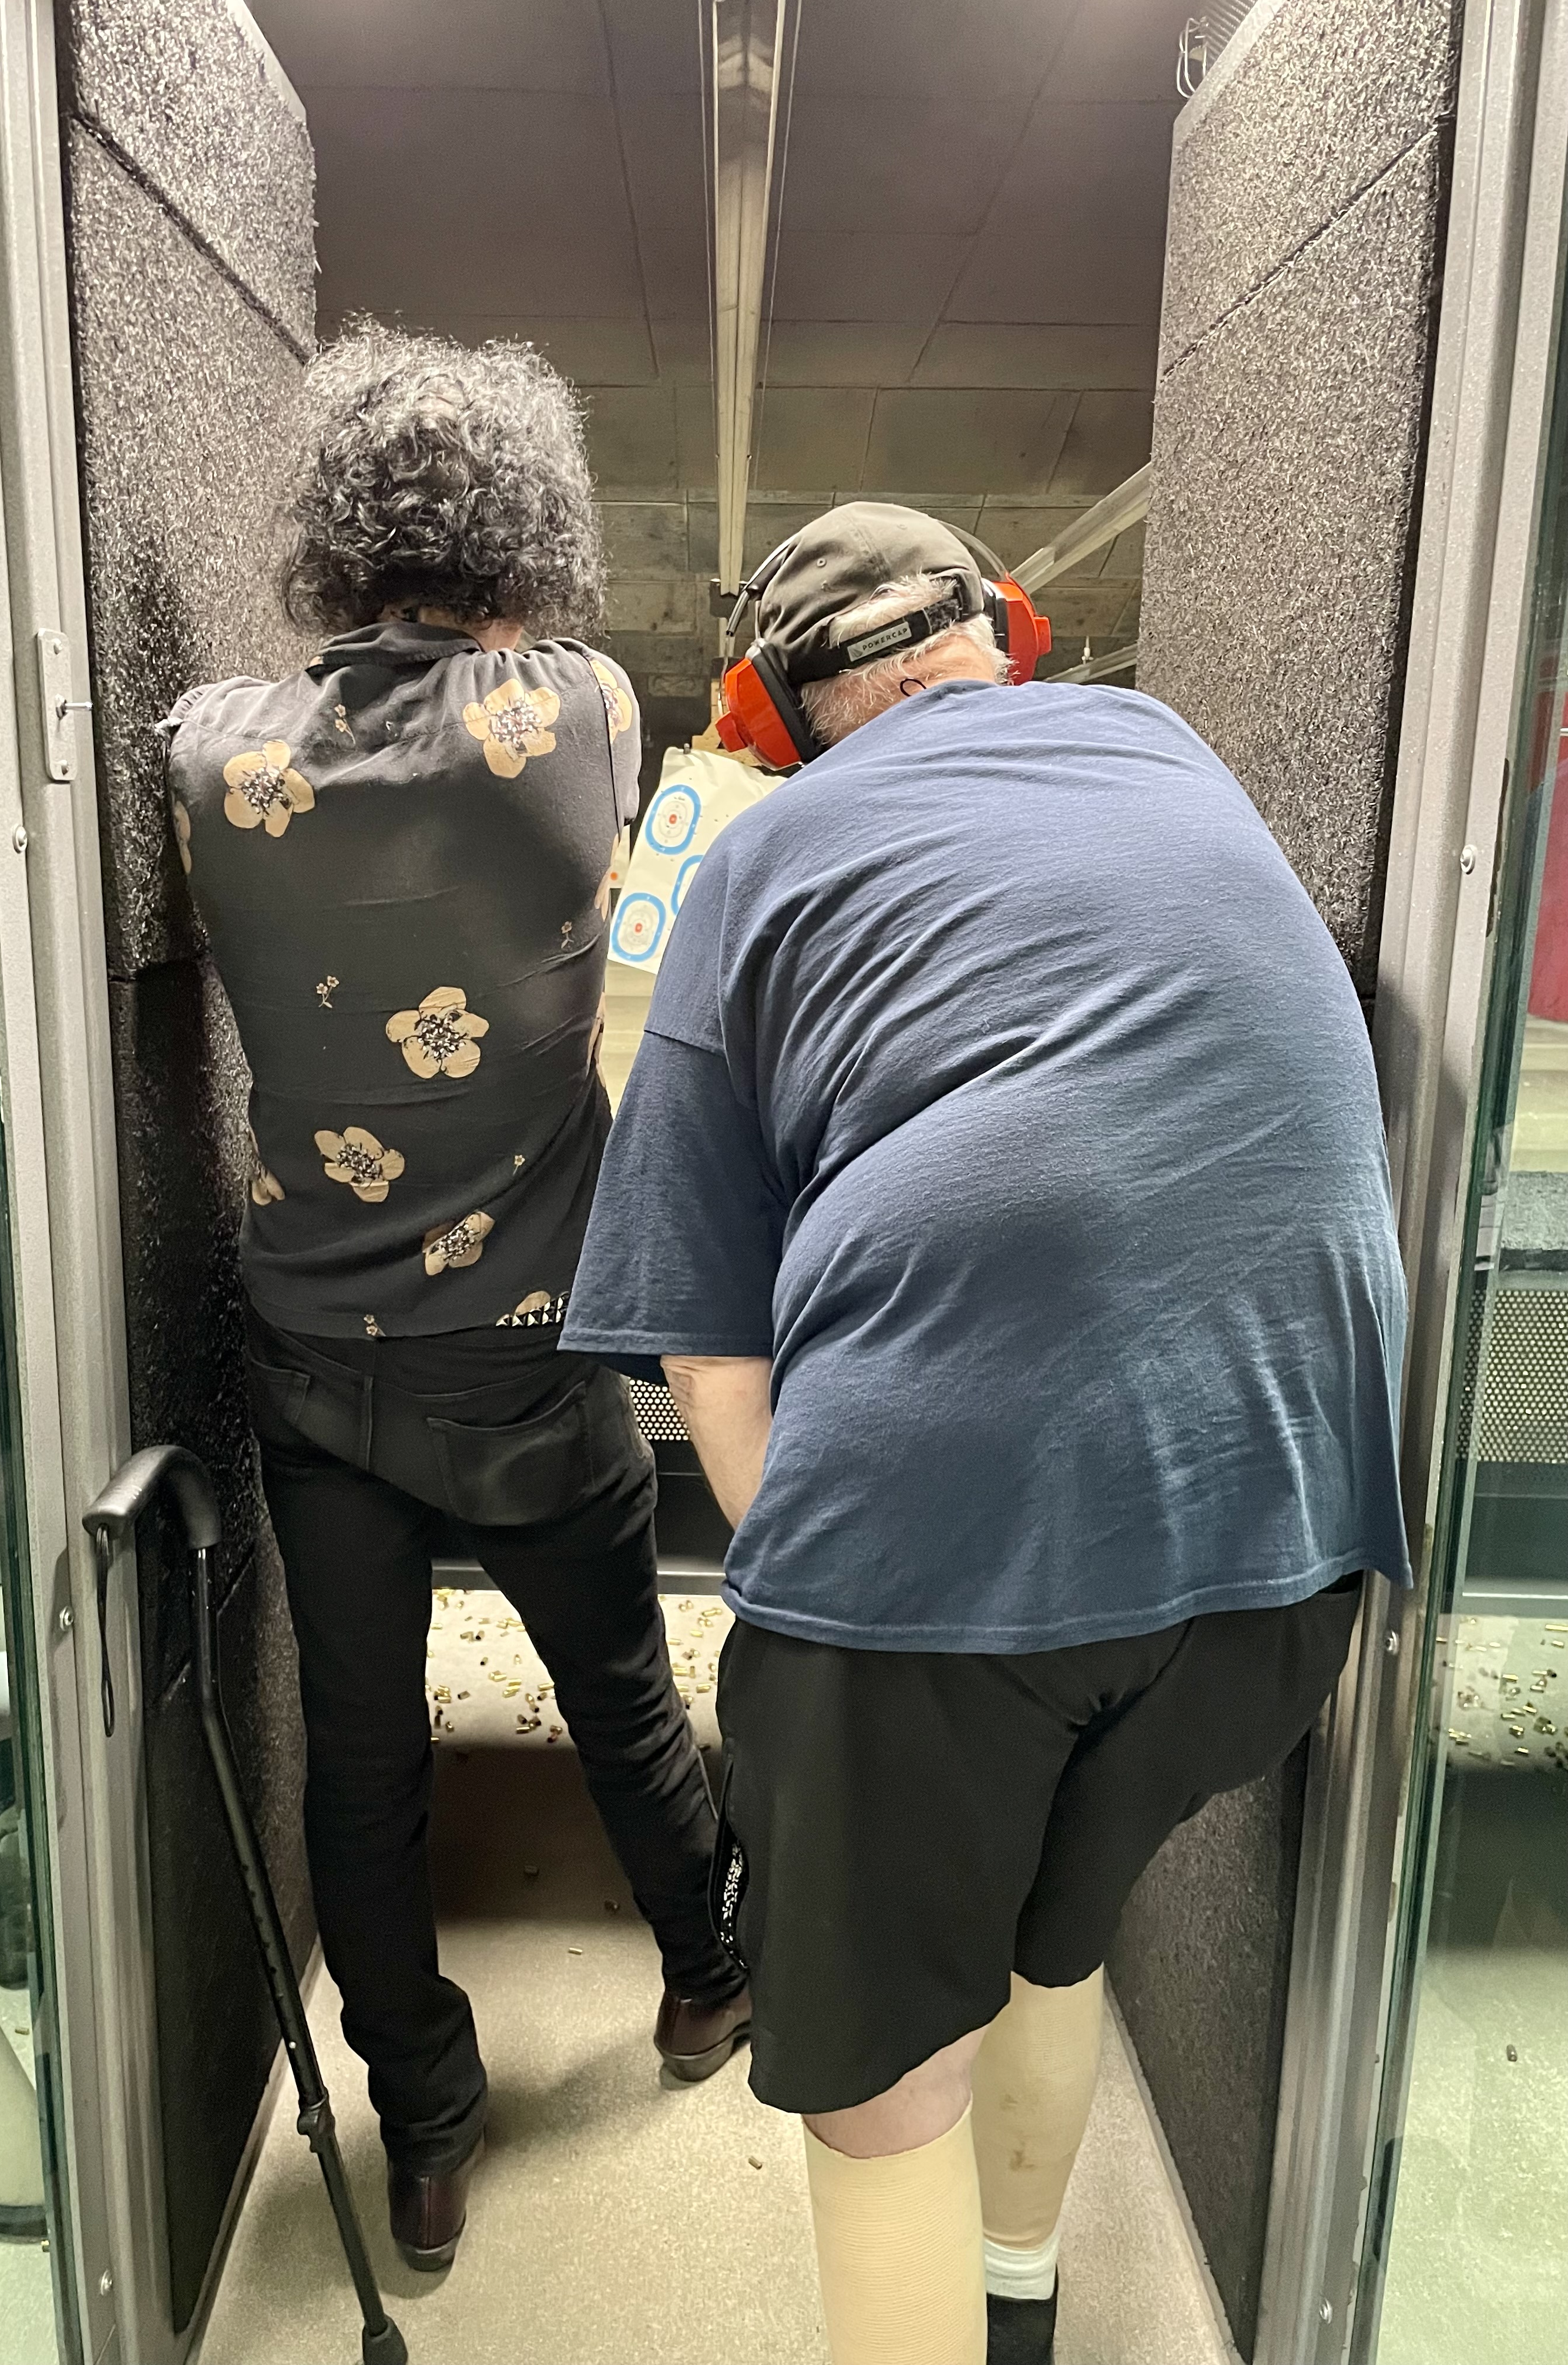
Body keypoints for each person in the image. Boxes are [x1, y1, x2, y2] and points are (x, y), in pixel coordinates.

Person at [562, 500, 1409, 2365]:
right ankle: (1022, 2309)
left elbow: (704, 1345)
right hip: (1288, 1549)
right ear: (1011, 636)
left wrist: (832, 1618)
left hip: (948, 1559)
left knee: (881, 2074)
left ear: (765, 720)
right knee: (1049, 1930)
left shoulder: (758, 856)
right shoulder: (1174, 752)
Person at [157, 327, 747, 2275]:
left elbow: (255, 730)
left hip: (314, 1362)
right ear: (527, 533)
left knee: (363, 1766)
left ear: (328, 533)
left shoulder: (212, 752)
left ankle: (423, 2134)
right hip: (528, 1352)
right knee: (622, 1697)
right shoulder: (579, 714)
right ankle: (704, 1979)